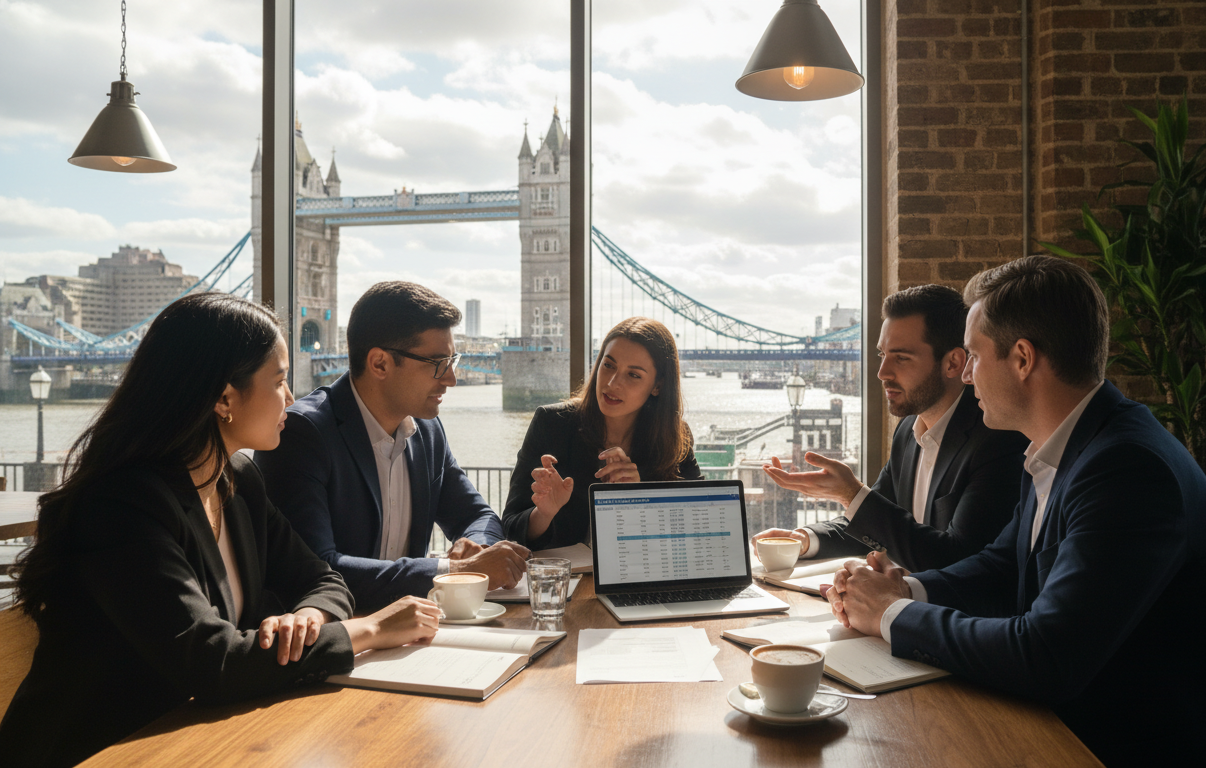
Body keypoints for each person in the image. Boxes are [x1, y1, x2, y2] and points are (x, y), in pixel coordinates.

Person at [827, 256, 1206, 767]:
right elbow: (1004, 566)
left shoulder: (1128, 468)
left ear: (1022, 358)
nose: (968, 372)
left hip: (1160, 749)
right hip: (1088, 726)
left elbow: (1047, 655)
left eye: (976, 355)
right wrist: (906, 590)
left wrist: (892, 615)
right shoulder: (1064, 445)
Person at [0, 293, 440, 768]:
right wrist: (370, 629)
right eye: (279, 381)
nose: (291, 399)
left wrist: (310, 618)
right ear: (225, 398)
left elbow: (322, 579)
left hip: (193, 738)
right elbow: (213, 663)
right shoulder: (120, 505)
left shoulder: (238, 482)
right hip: (100, 750)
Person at [254, 282, 528, 611]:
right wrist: (454, 571)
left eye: (453, 360)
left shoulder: (427, 430)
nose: (452, 378)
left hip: (411, 630)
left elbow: (478, 515)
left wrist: (480, 551)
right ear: (380, 364)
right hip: (333, 637)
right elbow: (318, 570)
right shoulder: (302, 433)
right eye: (438, 363)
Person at [752, 285, 1026, 571]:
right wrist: (804, 539)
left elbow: (957, 558)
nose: (882, 373)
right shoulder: (908, 431)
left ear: (953, 362)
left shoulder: (997, 439)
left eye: (902, 357)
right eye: (883, 355)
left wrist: (851, 494)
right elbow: (877, 530)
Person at [501, 317, 703, 548]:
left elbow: (698, 526)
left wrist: (640, 498)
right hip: (566, 580)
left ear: (657, 386)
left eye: (633, 375)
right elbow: (509, 528)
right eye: (608, 365)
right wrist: (543, 513)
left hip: (640, 578)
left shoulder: (676, 437)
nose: (613, 383)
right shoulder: (551, 423)